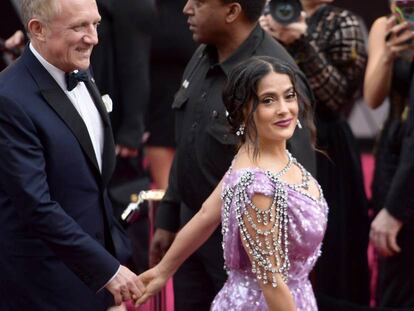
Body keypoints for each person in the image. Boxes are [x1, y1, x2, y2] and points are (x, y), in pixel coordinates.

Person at [149, 0, 317, 309]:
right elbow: (188, 136)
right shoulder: (203, 54)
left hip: (245, 253)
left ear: (232, 11)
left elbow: (296, 181)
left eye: (198, 2)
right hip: (192, 234)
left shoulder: (276, 78)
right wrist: (169, 214)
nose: (186, 8)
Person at [0, 0, 145, 310]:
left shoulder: (81, 69)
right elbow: (35, 204)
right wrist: (107, 271)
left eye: (95, 24)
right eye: (79, 27)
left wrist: (114, 255)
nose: (93, 37)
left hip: (98, 277)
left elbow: (93, 183)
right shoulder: (8, 99)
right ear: (37, 29)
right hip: (44, 285)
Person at [260, 0, 370, 307]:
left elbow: (338, 97)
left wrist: (301, 42)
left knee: (335, 251)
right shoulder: (266, 14)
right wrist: (261, 38)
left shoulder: (342, 23)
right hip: (272, 144)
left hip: (327, 149)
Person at [365, 1, 414, 307]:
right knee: (393, 268)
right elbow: (372, 98)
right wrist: (388, 54)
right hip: (394, 151)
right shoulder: (383, 27)